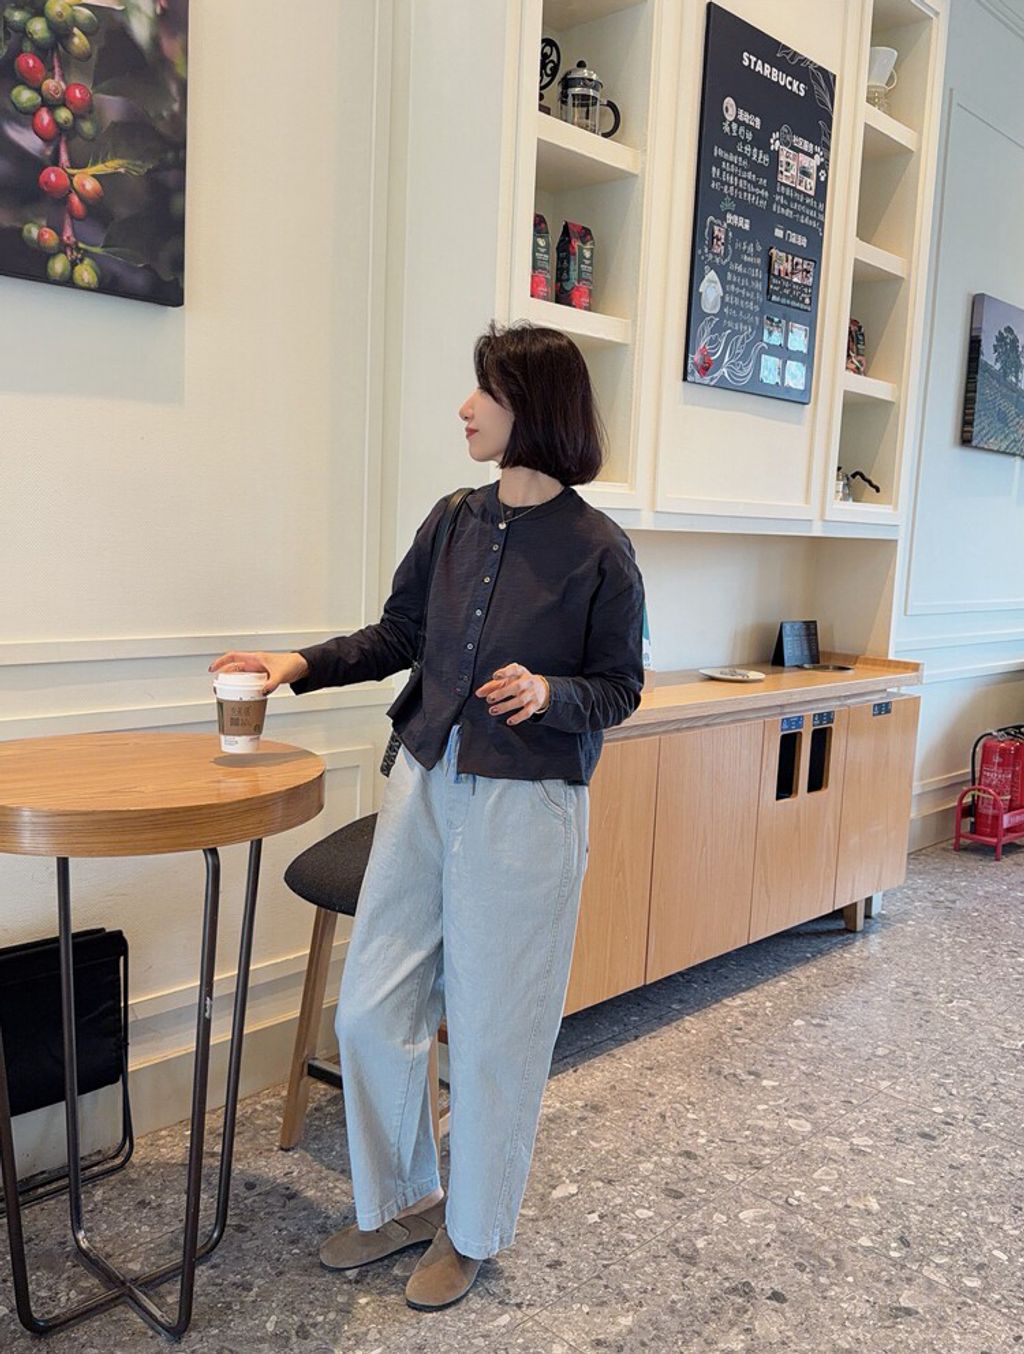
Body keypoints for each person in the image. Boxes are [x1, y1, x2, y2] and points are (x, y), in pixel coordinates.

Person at [209, 322, 646, 1311]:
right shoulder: (453, 519)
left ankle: (472, 1230)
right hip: (423, 779)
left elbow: (620, 686)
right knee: (370, 1010)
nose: (465, 407)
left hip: (527, 807)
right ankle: (406, 1200)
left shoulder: (598, 551)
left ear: (534, 407)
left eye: (484, 391)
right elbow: (399, 634)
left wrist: (553, 694)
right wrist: (296, 664)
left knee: (493, 1032)